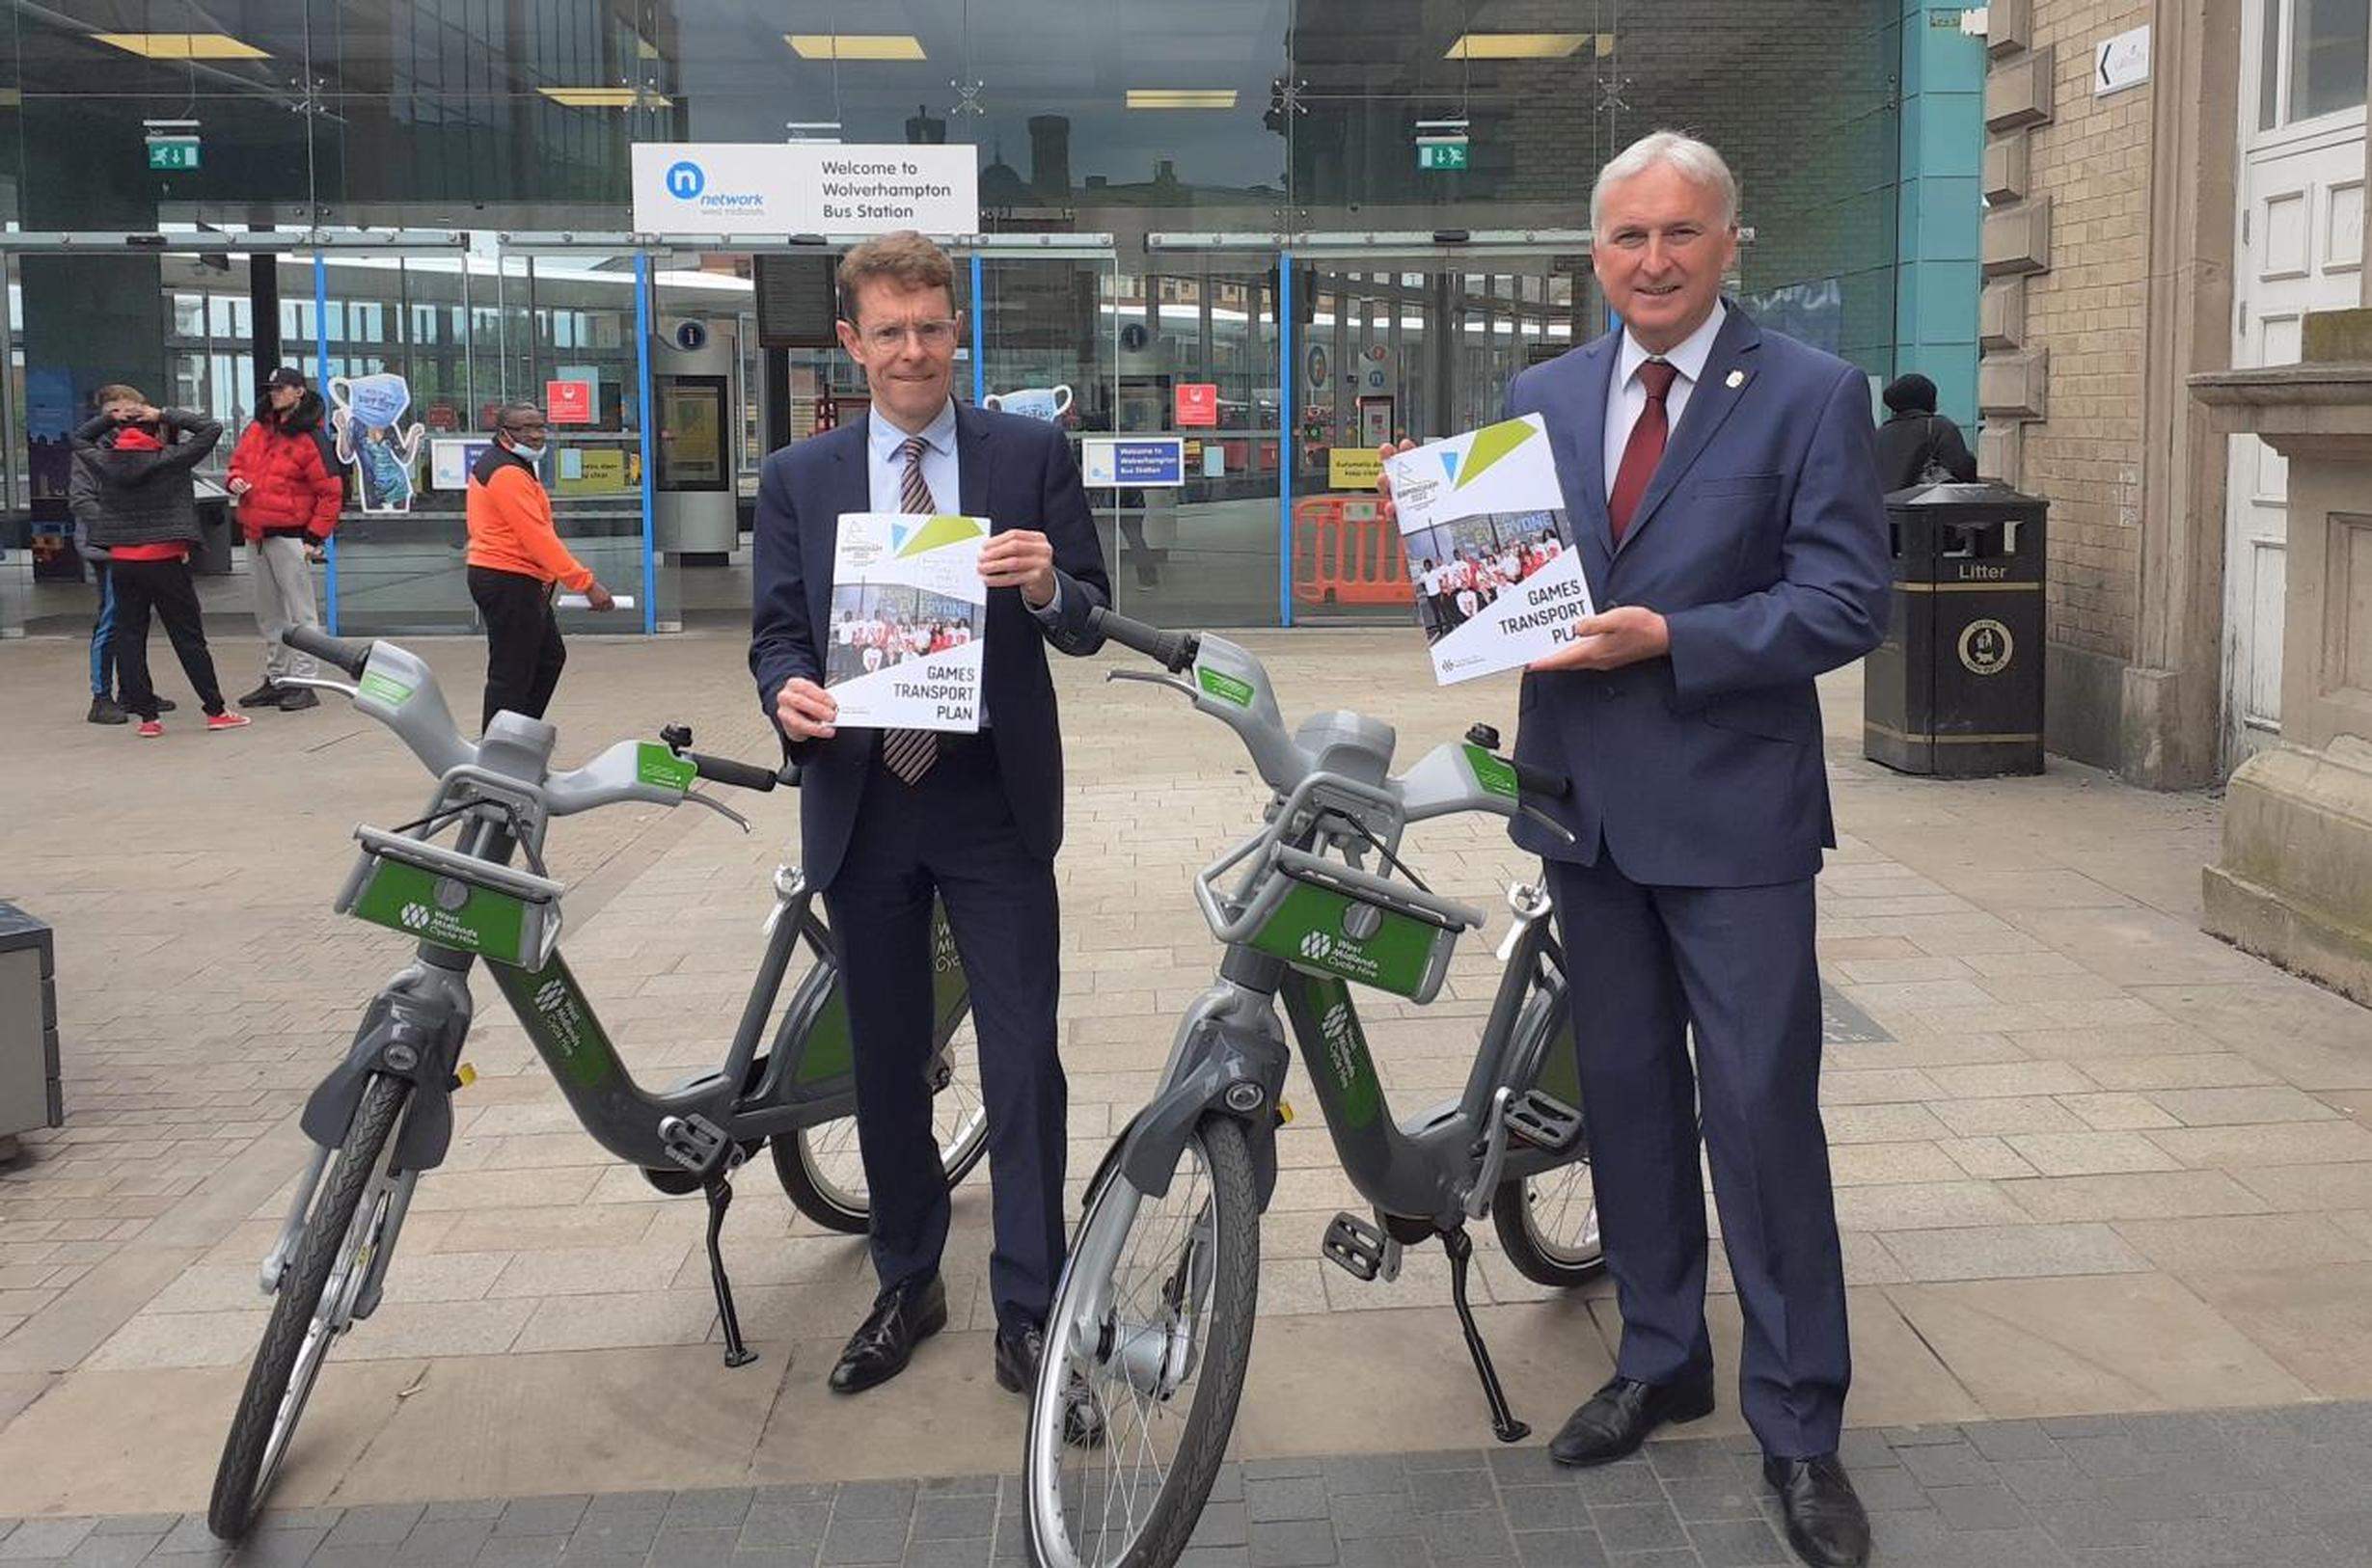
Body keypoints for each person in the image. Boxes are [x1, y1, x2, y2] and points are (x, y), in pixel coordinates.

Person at [1380, 132, 1888, 1568]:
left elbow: (1847, 600)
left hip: (1732, 822)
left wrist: (1683, 637)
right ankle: (1662, 1355)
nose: (1650, 261)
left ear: (1732, 242)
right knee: (1627, 1109)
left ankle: (1797, 1425)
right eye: (1624, 238)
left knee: (1760, 1119)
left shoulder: (1806, 394)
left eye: (1678, 234)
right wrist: (1461, 587)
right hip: (1582, 813)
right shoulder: (1539, 394)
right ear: (1590, 252)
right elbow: (1511, 574)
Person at [750, 230, 1110, 1414]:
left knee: (1020, 1062)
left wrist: (1051, 586)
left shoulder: (1028, 454)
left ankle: (1031, 1303)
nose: (914, 351)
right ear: (851, 342)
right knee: (886, 1063)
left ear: (959, 331)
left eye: (933, 327)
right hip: (863, 803)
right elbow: (776, 633)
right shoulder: (803, 478)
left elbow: (1089, 620)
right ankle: (907, 1281)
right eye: (890, 331)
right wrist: (786, 693)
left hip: (990, 802)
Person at [72, 392, 245, 738]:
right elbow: (210, 429)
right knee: (188, 637)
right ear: (158, 431)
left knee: (130, 637)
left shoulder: (106, 460)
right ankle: (215, 710)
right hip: (165, 559)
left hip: (122, 560)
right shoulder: (171, 459)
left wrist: (112, 419)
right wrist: (163, 412)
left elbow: (79, 438)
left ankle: (148, 719)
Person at [462, 402, 616, 730]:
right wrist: (586, 584)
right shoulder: (506, 473)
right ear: (504, 434)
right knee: (512, 673)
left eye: (539, 427)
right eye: (525, 429)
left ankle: (518, 739)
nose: (535, 435)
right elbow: (537, 537)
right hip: (508, 578)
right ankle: (498, 758)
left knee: (548, 659)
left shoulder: (511, 464)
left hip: (516, 578)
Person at [227, 367, 343, 712]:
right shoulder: (259, 428)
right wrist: (233, 480)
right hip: (258, 532)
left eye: (281, 388)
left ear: (298, 393)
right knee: (270, 613)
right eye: (272, 387)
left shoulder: (312, 437)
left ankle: (305, 680)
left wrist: (313, 537)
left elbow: (331, 493)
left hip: (290, 535)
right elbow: (237, 465)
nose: (275, 393)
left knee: (300, 613)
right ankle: (279, 678)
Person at [1873, 372, 1977, 491]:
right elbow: (1963, 468)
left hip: (1883, 506)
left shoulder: (1878, 434)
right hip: (1923, 506)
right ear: (1928, 400)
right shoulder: (1939, 427)